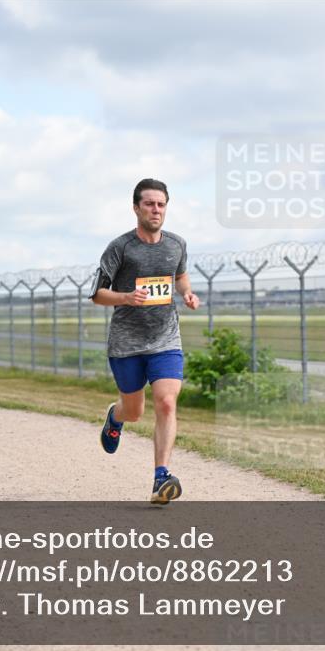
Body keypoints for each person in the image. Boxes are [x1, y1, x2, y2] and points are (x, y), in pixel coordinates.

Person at [90, 178, 201, 504]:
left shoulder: (176, 244)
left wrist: (187, 293)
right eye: (150, 204)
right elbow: (96, 293)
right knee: (134, 411)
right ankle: (115, 417)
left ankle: (160, 477)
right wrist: (126, 297)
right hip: (126, 343)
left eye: (161, 204)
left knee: (167, 402)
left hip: (165, 339)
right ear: (136, 207)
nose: (156, 210)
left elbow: (179, 275)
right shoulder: (120, 248)